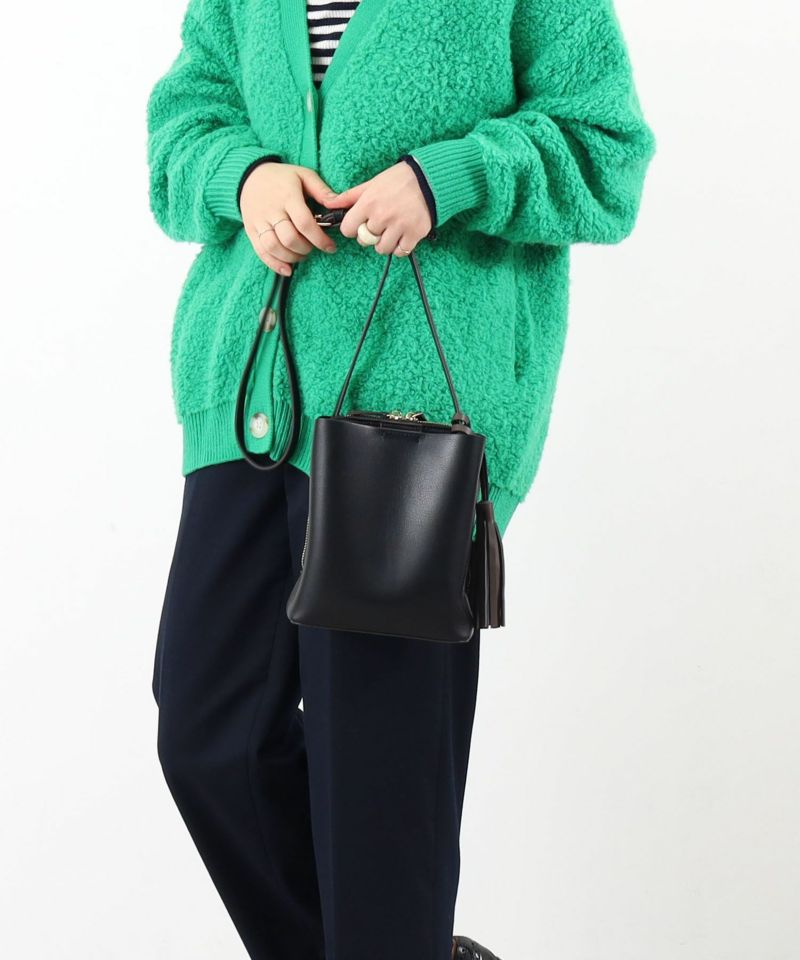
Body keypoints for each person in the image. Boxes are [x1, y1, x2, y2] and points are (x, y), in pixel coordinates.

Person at [146, 1, 655, 958]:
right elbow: (184, 122)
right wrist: (243, 179)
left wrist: (446, 180)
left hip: (409, 432)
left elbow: (605, 151)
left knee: (378, 785)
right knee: (208, 736)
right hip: (252, 400)